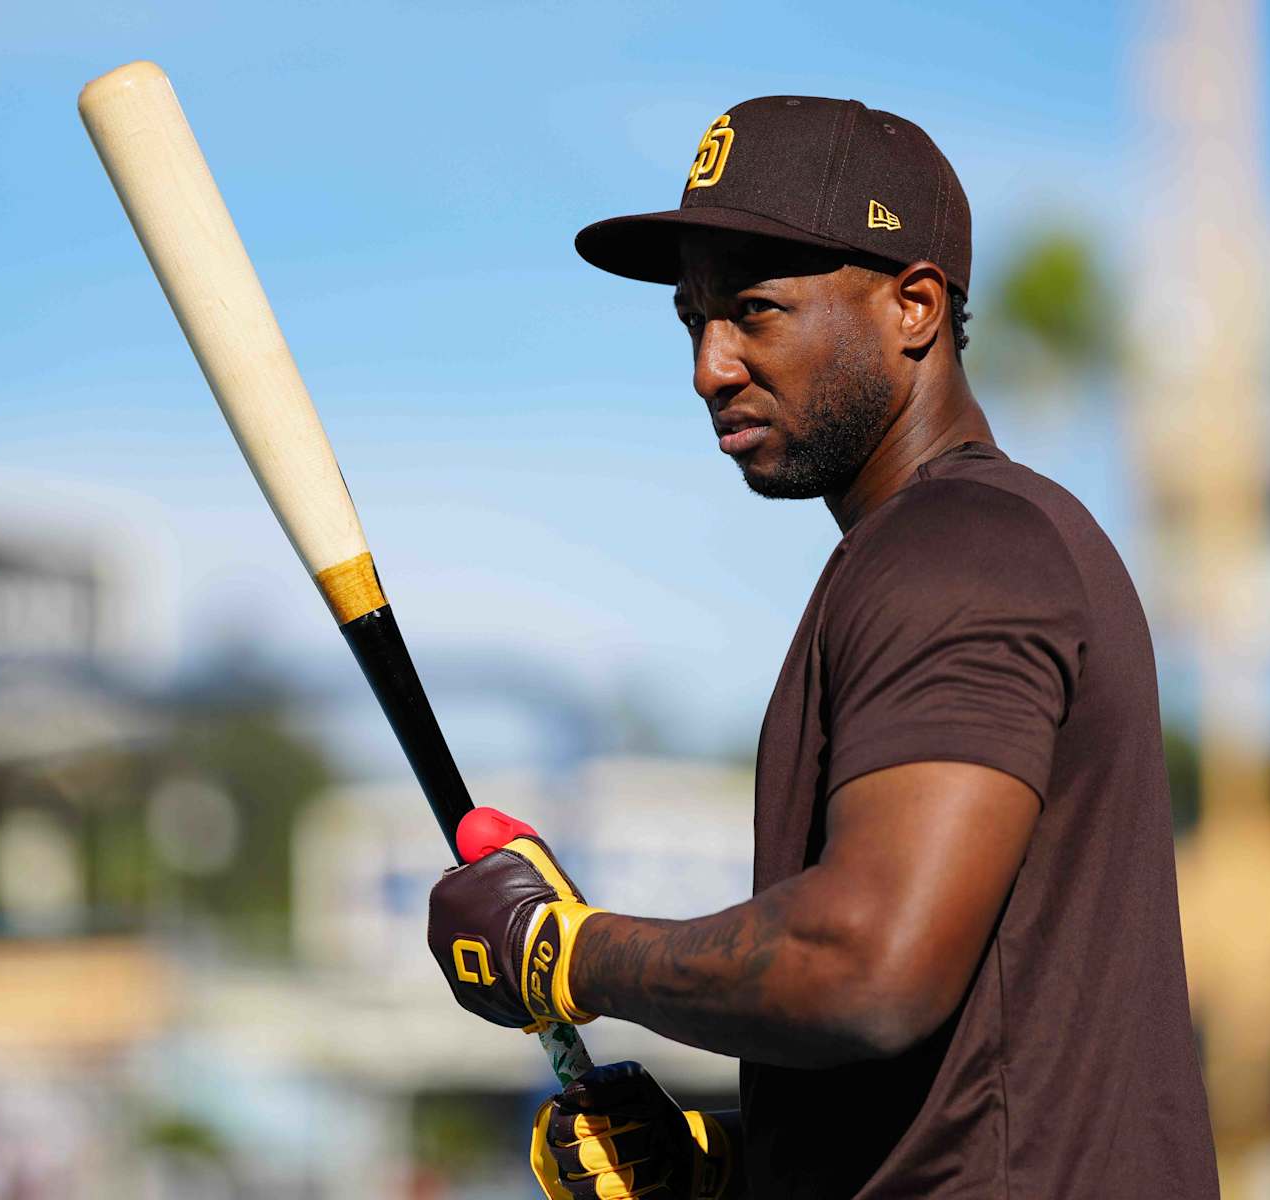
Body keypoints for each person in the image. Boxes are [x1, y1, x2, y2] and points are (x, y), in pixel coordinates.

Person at [425, 96, 1220, 1199]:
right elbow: (975, 1073)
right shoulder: (954, 547)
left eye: (754, 310)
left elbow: (870, 965)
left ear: (915, 306)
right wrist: (723, 1166)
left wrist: (566, 954)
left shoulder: (960, 548)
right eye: (692, 320)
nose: (710, 366)